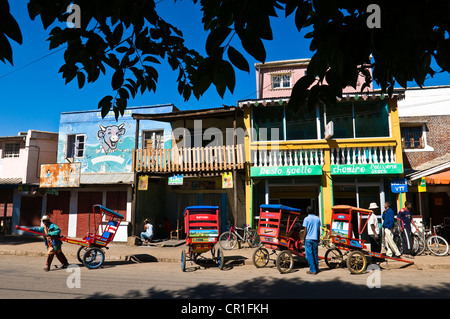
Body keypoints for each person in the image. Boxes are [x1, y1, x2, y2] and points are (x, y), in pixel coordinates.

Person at [301, 206, 321, 275]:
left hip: (308, 239)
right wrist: (318, 238)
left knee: (309, 255)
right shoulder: (317, 219)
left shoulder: (306, 219)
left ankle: (312, 270)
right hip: (315, 238)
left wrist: (303, 239)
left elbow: (305, 230)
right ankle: (316, 268)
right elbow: (318, 230)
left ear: (307, 211)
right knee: (315, 254)